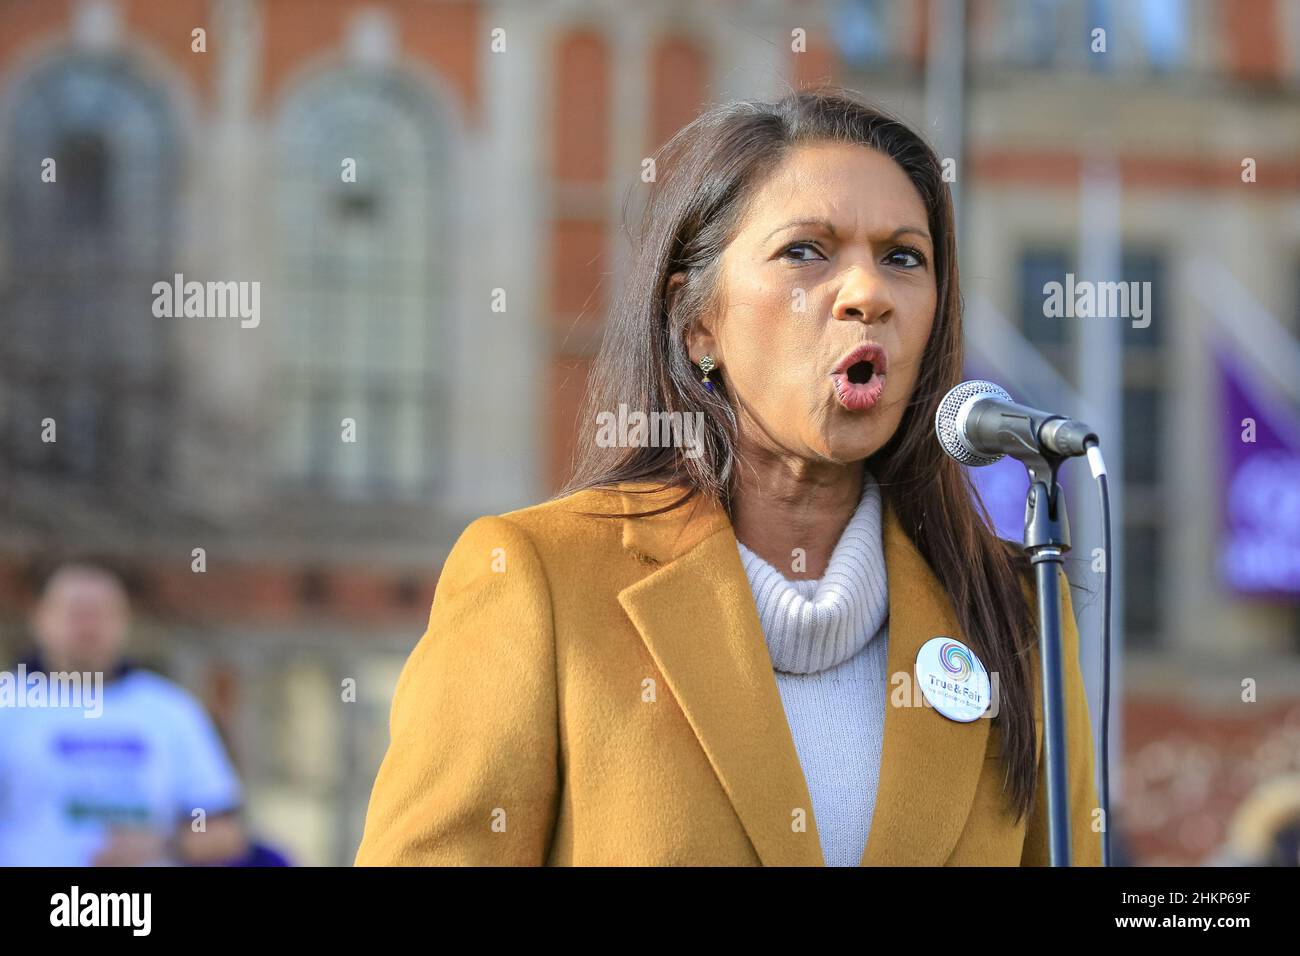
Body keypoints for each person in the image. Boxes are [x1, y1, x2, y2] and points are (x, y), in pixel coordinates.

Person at [355, 88, 1102, 866]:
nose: (869, 293)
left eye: (903, 257)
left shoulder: (1016, 614)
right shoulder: (537, 580)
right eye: (806, 251)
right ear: (697, 321)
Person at [0, 562, 248, 866]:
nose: (88, 625)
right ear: (40, 619)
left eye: (100, 613)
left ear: (125, 622)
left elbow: (224, 832)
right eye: (75, 612)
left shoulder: (170, 710)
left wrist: (166, 844)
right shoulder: (8, 705)